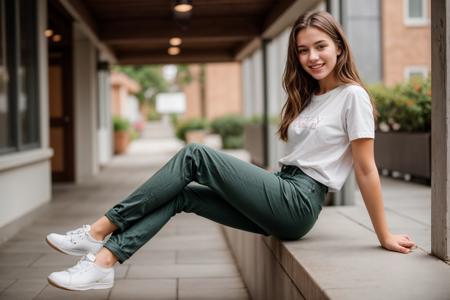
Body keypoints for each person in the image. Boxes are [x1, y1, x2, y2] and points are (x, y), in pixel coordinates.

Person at [45, 11, 416, 291]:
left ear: (339, 46)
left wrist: (383, 235)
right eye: (303, 50)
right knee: (184, 196)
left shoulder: (353, 97)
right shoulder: (312, 97)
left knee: (196, 155)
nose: (312, 57)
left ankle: (98, 230)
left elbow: (366, 170)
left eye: (320, 46)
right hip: (282, 189)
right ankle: (104, 261)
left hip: (300, 202)